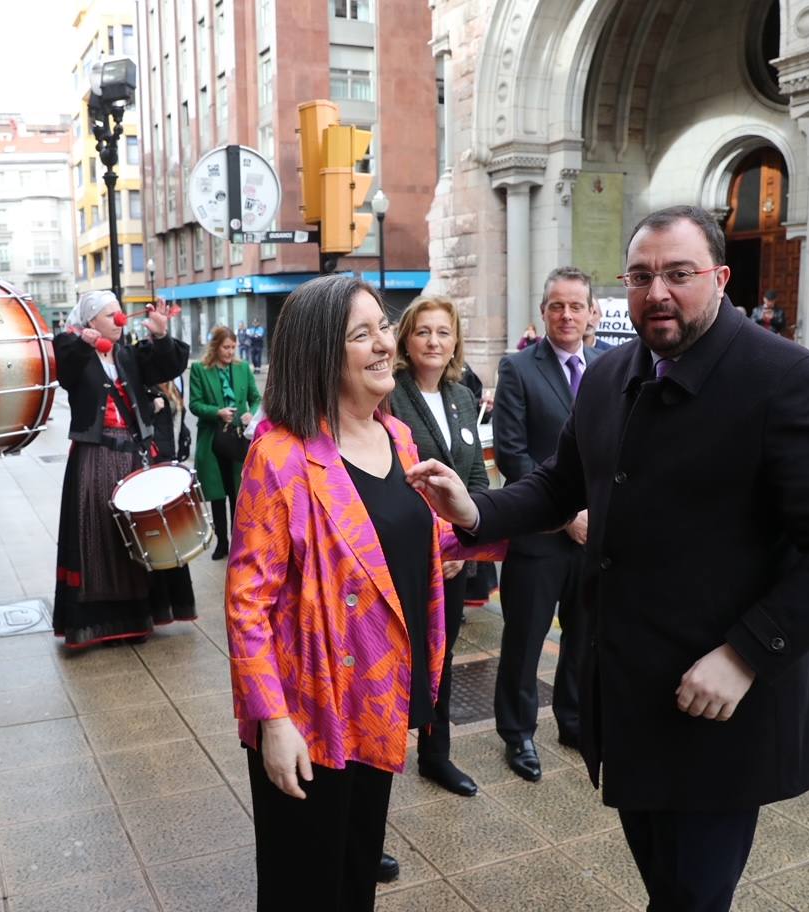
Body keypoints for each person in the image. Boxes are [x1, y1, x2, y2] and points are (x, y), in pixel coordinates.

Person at [407, 206, 809, 912]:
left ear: (720, 279)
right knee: (665, 887)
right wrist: (476, 511)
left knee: (693, 897)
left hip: (723, 706)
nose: (657, 291)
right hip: (632, 698)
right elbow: (558, 484)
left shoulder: (785, 379)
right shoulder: (611, 377)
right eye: (640, 276)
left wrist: (746, 654)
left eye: (678, 273)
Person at [226, 275, 503, 911]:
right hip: (311, 710)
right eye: (362, 334)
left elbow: (424, 546)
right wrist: (272, 721)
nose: (385, 343)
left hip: (380, 695)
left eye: (383, 325)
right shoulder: (281, 456)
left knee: (356, 872)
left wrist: (510, 526)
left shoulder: (397, 437)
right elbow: (247, 604)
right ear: (322, 354)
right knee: (305, 885)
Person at [491, 265, 602, 778]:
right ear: (543, 312)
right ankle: (518, 735)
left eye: (575, 305)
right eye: (557, 305)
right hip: (539, 536)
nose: (566, 315)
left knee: (583, 638)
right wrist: (566, 515)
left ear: (590, 312)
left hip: (594, 538)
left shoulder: (607, 367)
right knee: (525, 640)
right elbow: (513, 455)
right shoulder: (518, 369)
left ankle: (573, 720)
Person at [386, 294, 489, 798]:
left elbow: (475, 478)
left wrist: (462, 545)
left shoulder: (462, 396)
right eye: (424, 331)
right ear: (406, 337)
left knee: (442, 657)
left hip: (452, 561)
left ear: (455, 342)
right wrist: (436, 542)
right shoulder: (390, 395)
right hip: (404, 555)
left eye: (443, 333)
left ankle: (436, 754)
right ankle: (378, 762)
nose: (433, 341)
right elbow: (392, 480)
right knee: (393, 659)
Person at [52, 291, 189, 649]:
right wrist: (83, 342)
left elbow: (168, 365)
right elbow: (63, 367)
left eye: (119, 313)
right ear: (92, 321)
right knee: (96, 537)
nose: (118, 320)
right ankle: (98, 623)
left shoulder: (128, 355)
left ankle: (137, 616)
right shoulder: (74, 351)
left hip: (130, 456)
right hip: (95, 457)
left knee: (133, 536)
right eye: (109, 315)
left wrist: (160, 334)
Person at [188, 326, 261, 559]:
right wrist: (216, 412)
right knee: (218, 494)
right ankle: (222, 541)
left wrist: (253, 414)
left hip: (238, 438)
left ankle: (238, 541)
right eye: (225, 347)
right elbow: (195, 404)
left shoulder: (242, 369)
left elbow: (256, 398)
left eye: (233, 347)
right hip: (213, 439)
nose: (230, 352)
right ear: (215, 346)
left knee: (237, 492)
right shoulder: (200, 369)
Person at [144, 378, 197, 623]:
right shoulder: (146, 384)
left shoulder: (173, 383)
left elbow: (178, 419)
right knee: (160, 536)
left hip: (171, 460)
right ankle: (160, 607)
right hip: (156, 464)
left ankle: (176, 605)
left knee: (172, 537)